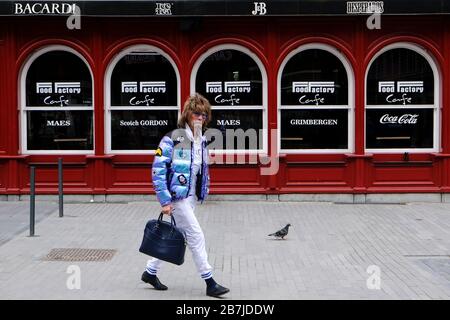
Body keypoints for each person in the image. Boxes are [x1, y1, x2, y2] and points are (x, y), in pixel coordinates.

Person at [141, 93, 230, 298]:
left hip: (191, 197)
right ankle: (209, 281)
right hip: (177, 198)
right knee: (196, 236)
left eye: (204, 115)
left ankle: (150, 272)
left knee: (175, 235)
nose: (200, 118)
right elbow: (158, 170)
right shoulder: (172, 138)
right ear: (187, 114)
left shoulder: (202, 140)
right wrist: (165, 201)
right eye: (197, 114)